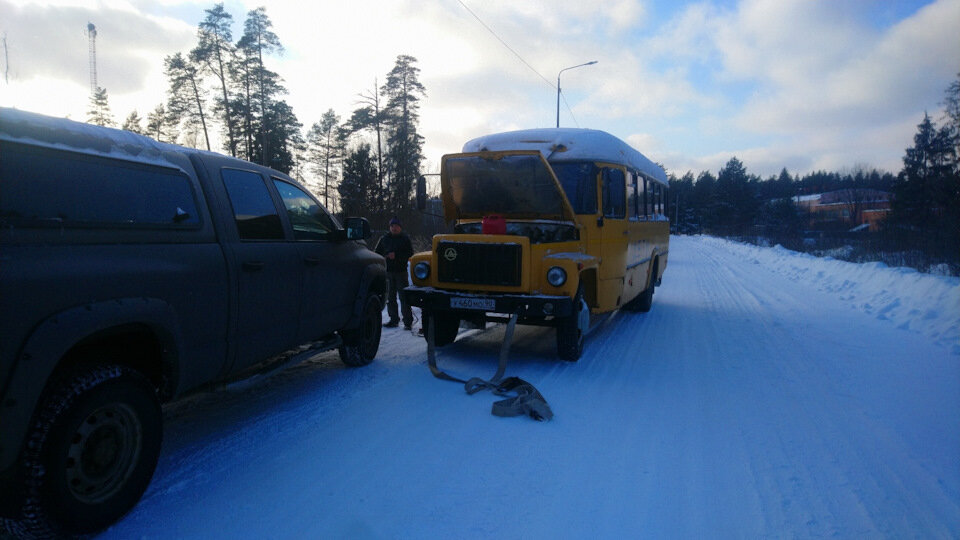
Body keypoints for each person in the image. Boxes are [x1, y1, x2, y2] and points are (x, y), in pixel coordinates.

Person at [375, 216, 414, 329]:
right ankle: (393, 320)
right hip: (388, 272)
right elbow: (376, 253)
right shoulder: (384, 238)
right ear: (389, 227)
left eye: (396, 226)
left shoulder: (405, 239)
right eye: (392, 226)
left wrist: (396, 256)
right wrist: (385, 256)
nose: (394, 228)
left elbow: (410, 254)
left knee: (403, 297)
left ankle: (407, 321)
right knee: (390, 298)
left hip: (401, 272)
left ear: (400, 227)